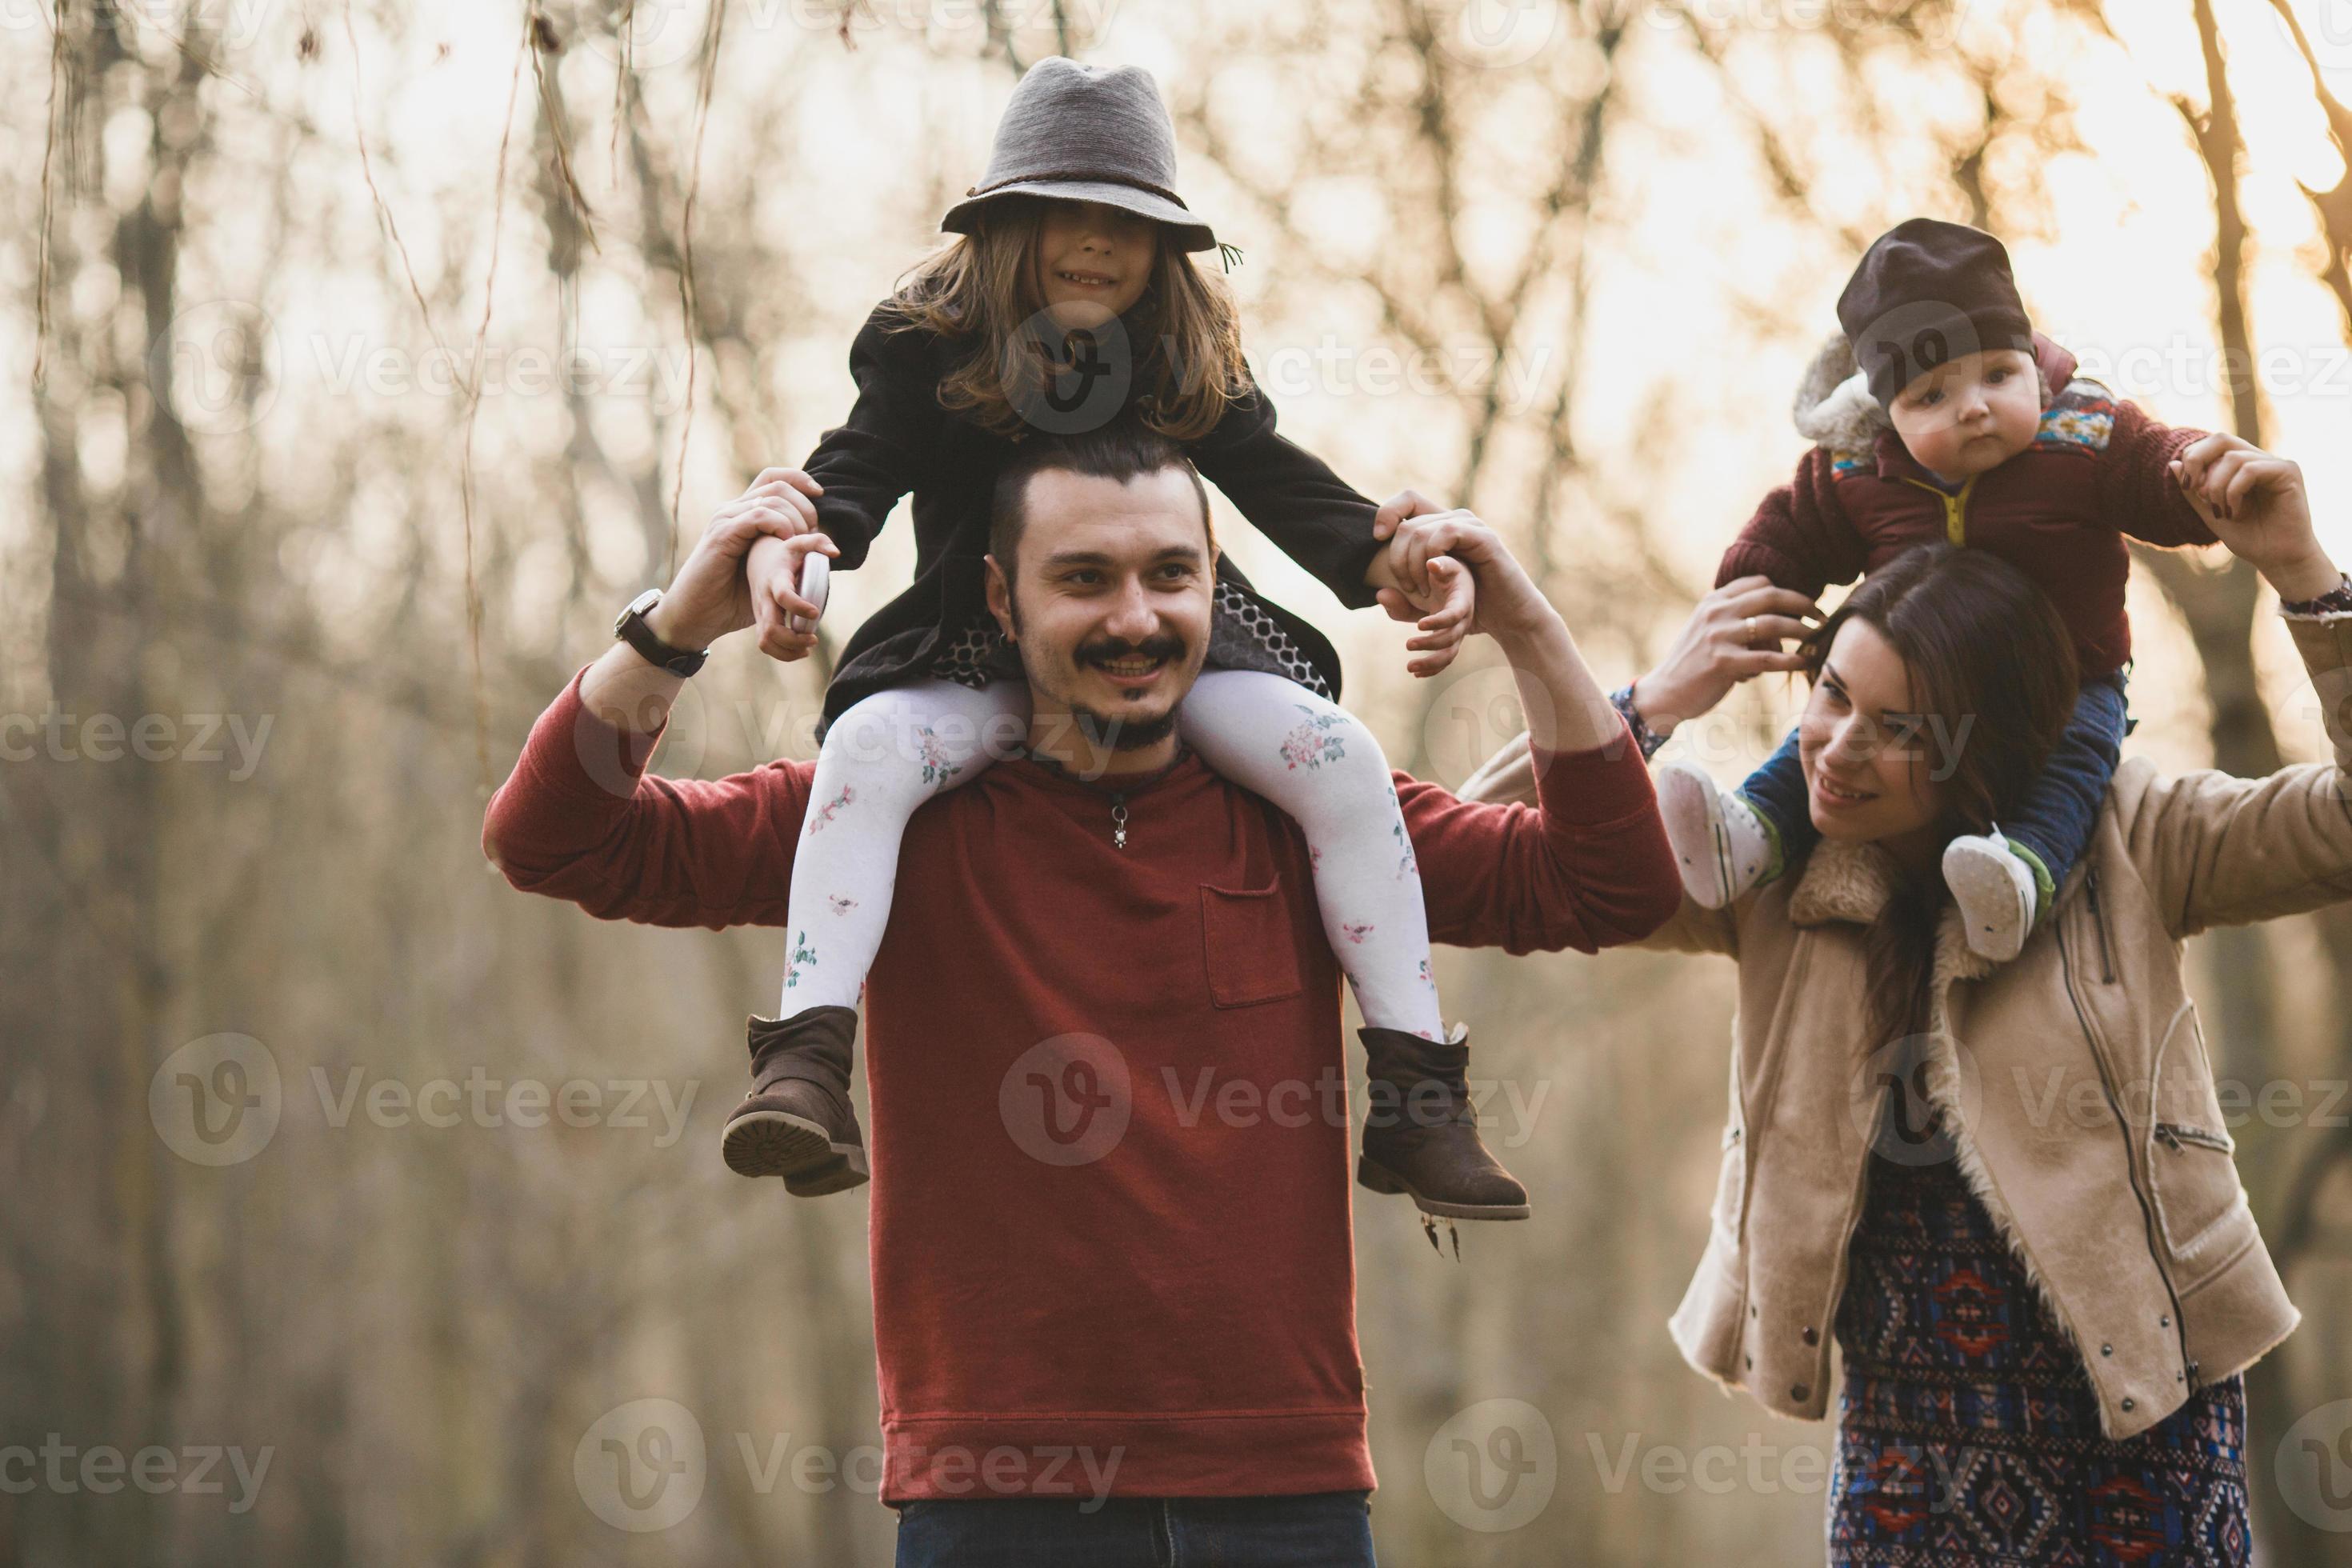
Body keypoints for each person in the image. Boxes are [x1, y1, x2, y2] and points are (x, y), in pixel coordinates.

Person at [483, 422, 1681, 1563]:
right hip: (994, 1503)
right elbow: (560, 842)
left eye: (1171, 575)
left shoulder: (1317, 817)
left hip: (1285, 1498)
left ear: (1215, 583)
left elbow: (1607, 887)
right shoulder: (883, 820)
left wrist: (1522, 619)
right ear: (1003, 599)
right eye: (1085, 579)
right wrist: (679, 622)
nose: (1136, 617)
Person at [1465, 432, 2346, 1564]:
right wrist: (1650, 700)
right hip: (1901, 1452)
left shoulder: (2135, 836)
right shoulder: (1761, 870)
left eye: (1899, 729)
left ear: (1989, 749)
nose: (1836, 750)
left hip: (2146, 1422)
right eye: (1833, 694)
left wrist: (2303, 574)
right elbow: (1483, 863)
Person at [710, 54, 1506, 1213]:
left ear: (1163, 248)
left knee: (1338, 757)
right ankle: (803, 1066)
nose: (1094, 244)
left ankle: (1418, 1098)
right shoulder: (928, 339)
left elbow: (1273, 479)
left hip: (1179, 656)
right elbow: (860, 469)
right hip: (968, 645)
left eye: (1124, 224)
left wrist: (1383, 560)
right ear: (1006, 228)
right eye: (1062, 216)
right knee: (867, 755)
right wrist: (801, 551)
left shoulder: (1177, 348)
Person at [1652, 218, 2218, 962]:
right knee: (1827, 743)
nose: (1974, 406)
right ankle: (1753, 831)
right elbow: (1794, 529)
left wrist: (2207, 480)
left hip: (2073, 675)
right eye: (1931, 396)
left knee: (2075, 761)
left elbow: (2157, 471)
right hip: (1909, 693)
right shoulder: (1858, 469)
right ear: (1885, 413)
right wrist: (1750, 589)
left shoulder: (2083, 435)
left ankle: (2022, 876)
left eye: (1998, 375)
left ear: (2033, 363)